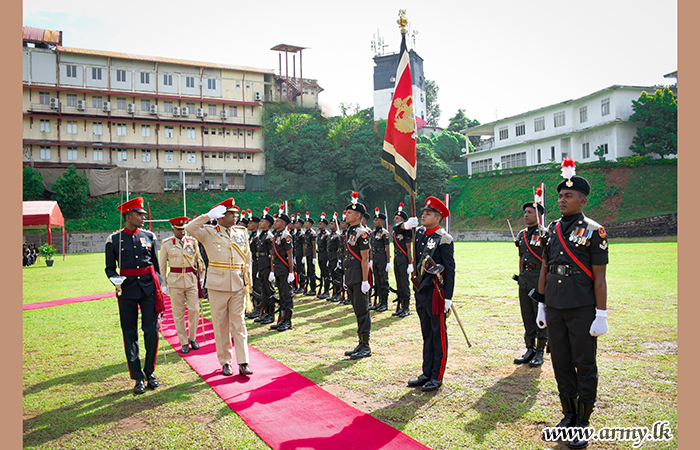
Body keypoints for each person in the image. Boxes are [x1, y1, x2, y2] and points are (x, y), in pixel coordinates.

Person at [532, 159, 608, 449]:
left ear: (582, 200)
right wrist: (541, 305)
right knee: (561, 362)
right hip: (554, 305)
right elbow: (545, 268)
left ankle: (583, 422)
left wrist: (600, 314)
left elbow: (599, 278)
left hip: (581, 307)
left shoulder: (594, 231)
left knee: (584, 363)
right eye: (560, 196)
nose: (562, 200)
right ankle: (568, 415)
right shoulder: (550, 229)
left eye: (568, 196)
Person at [186, 198, 253, 377]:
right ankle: (225, 361)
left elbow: (247, 257)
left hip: (238, 283)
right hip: (218, 286)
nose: (235, 216)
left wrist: (249, 280)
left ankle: (243, 361)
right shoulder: (208, 232)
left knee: (239, 323)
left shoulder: (241, 232)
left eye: (235, 214)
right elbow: (189, 228)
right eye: (231, 213)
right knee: (221, 325)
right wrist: (207, 216)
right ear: (220, 216)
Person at [105, 197, 164, 394]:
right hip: (127, 290)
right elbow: (109, 268)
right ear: (128, 216)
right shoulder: (113, 239)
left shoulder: (150, 236)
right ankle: (137, 376)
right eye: (139, 215)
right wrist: (115, 280)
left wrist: (159, 284)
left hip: (148, 289)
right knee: (130, 333)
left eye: (143, 215)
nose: (143, 218)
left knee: (151, 330)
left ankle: (150, 371)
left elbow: (155, 265)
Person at [406, 196, 455, 392]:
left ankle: (437, 375)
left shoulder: (444, 238)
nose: (423, 215)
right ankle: (426, 372)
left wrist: (448, 298)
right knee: (426, 333)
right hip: (421, 290)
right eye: (423, 212)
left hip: (436, 293)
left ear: (438, 217)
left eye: (428, 214)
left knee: (438, 335)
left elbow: (449, 269)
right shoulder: (420, 234)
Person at [159, 216, 204, 354]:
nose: (182, 232)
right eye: (179, 229)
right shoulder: (166, 244)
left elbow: (200, 260)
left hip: (191, 280)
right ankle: (184, 341)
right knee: (178, 313)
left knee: (194, 310)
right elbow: (162, 265)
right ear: (173, 229)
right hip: (175, 281)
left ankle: (192, 337)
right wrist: (164, 283)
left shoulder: (193, 242)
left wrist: (202, 277)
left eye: (183, 229)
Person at [513, 201, 548, 367]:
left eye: (530, 212)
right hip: (525, 278)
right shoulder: (522, 234)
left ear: (539, 215)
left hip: (539, 277)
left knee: (539, 315)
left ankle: (540, 351)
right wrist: (520, 275)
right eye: (525, 212)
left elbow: (548, 259)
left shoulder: (545, 233)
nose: (526, 215)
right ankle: (530, 349)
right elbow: (521, 257)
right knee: (526, 313)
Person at [342, 192, 373, 359]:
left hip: (359, 276)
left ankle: (366, 346)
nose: (346, 214)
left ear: (358, 215)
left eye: (349, 212)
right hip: (351, 274)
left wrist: (365, 280)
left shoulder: (362, 232)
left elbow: (365, 257)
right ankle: (360, 343)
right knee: (357, 310)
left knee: (363, 311)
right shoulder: (349, 231)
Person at [270, 206, 296, 331]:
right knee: (281, 294)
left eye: (277, 221)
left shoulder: (286, 235)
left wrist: (291, 272)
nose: (274, 223)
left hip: (285, 270)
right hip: (278, 270)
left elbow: (290, 254)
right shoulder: (276, 235)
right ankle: (282, 320)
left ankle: (288, 321)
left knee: (287, 295)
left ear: (283, 223)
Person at [253, 208, 275, 325]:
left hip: (267, 266)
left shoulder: (269, 236)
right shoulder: (261, 235)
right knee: (263, 291)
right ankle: (265, 312)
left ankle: (271, 314)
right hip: (261, 266)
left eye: (262, 221)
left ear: (267, 224)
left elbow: (272, 255)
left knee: (269, 290)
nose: (260, 223)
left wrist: (272, 271)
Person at [392, 202, 414, 318]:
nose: (395, 220)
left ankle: (406, 307)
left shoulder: (406, 232)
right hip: (396, 258)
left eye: (397, 218)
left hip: (404, 259)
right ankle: (401, 306)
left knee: (404, 284)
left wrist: (410, 263)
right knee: (399, 283)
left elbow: (409, 249)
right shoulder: (395, 231)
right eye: (395, 218)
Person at [369, 208, 391, 313]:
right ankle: (379, 301)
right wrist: (371, 260)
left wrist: (388, 262)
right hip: (375, 256)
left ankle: (385, 302)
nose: (374, 222)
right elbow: (371, 247)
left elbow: (387, 247)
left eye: (377, 220)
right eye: (374, 220)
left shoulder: (384, 233)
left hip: (382, 256)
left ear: (381, 222)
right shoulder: (372, 233)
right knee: (376, 279)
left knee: (383, 280)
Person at [245, 210, 262, 319]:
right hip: (252, 263)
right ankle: (255, 307)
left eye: (251, 223)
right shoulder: (252, 235)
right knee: (253, 286)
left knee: (258, 286)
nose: (248, 225)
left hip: (257, 263)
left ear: (256, 224)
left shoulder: (258, 236)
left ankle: (259, 308)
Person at [326, 213, 342, 302]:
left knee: (337, 276)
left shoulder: (337, 234)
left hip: (335, 256)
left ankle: (338, 294)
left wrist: (339, 260)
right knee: (332, 275)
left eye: (332, 223)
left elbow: (339, 248)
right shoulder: (330, 234)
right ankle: (334, 293)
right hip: (330, 256)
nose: (330, 225)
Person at [303, 213, 318, 296]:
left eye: (307, 223)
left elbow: (314, 245)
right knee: (308, 271)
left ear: (311, 224)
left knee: (312, 271)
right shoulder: (306, 232)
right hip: (307, 253)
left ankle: (313, 288)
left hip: (311, 254)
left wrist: (314, 257)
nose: (305, 224)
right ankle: (309, 288)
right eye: (305, 223)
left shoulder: (312, 233)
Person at [316, 213, 331, 299]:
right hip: (320, 254)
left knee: (326, 273)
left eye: (321, 224)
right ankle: (322, 289)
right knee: (322, 273)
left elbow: (328, 247)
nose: (319, 225)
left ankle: (326, 291)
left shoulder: (327, 234)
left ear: (325, 225)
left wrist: (328, 258)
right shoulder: (319, 234)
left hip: (325, 255)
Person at [292, 214, 306, 294]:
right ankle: (295, 285)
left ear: (300, 225)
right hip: (295, 254)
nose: (295, 224)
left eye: (297, 223)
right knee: (295, 270)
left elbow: (303, 245)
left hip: (300, 254)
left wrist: (303, 256)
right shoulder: (295, 233)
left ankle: (302, 285)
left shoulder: (302, 233)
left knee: (301, 270)